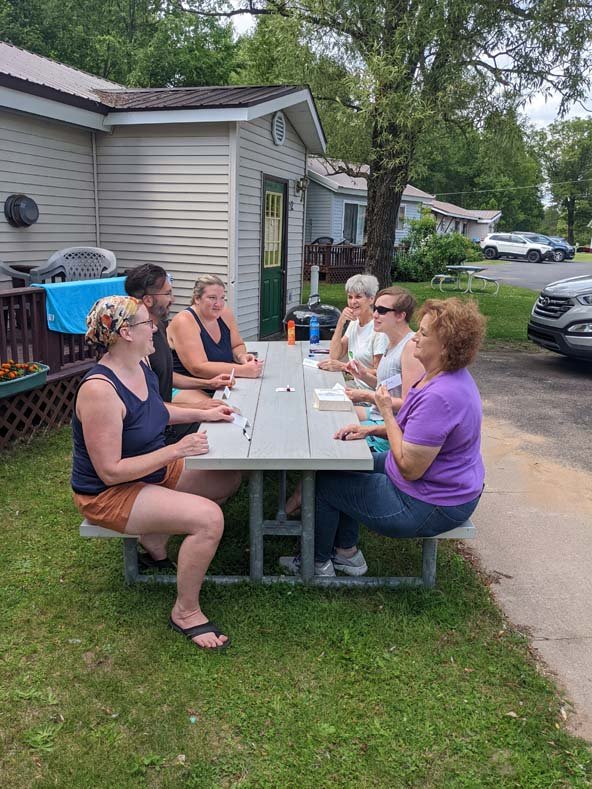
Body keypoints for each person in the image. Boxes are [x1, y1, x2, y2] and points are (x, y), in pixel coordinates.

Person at [71, 295, 241, 649]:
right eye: (147, 323)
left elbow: (155, 409)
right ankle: (186, 611)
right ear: (125, 333)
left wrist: (204, 413)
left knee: (228, 477)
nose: (155, 328)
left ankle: (155, 538)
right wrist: (176, 450)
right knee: (209, 519)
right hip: (109, 493)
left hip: (149, 471)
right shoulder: (99, 391)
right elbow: (110, 472)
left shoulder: (140, 364)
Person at [280, 298, 486, 577]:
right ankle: (346, 554)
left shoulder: (441, 396)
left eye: (424, 333)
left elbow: (410, 468)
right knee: (341, 465)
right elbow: (415, 432)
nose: (415, 337)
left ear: (446, 346)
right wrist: (370, 430)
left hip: (431, 502)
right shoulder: (441, 377)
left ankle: (316, 565)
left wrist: (386, 412)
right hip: (441, 486)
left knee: (324, 485)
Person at [124, 264, 234, 445]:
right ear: (148, 300)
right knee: (221, 432)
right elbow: (145, 408)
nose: (173, 299)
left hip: (165, 421)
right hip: (153, 435)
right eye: (168, 294)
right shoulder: (134, 345)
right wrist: (198, 408)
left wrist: (208, 383)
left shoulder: (159, 327)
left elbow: (165, 375)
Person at [344, 286, 425, 452]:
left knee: (337, 435)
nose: (374, 315)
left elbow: (409, 404)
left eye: (381, 311)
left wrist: (367, 395)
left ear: (400, 316)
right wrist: (363, 375)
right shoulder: (391, 342)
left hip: (389, 428)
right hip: (377, 414)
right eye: (375, 309)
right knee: (332, 414)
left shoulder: (410, 347)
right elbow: (388, 387)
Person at [167, 274, 263, 381]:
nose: (219, 304)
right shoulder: (184, 321)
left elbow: (237, 345)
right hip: (189, 385)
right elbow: (198, 368)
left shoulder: (225, 314)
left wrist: (241, 356)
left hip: (221, 382)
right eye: (212, 298)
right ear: (197, 299)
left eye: (222, 298)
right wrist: (243, 370)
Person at [317, 274, 387, 387]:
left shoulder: (379, 330)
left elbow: (379, 374)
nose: (353, 302)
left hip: (369, 392)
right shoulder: (354, 322)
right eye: (350, 297)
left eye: (358, 297)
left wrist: (344, 367)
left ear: (371, 299)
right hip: (355, 386)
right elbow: (335, 355)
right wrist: (340, 322)